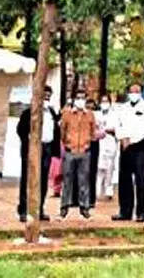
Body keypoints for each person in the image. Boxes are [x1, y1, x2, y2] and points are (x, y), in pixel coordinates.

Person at [112, 83, 144, 223]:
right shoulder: (122, 108)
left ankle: (141, 212)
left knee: (141, 179)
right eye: (132, 91)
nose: (134, 93)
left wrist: (131, 139)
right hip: (124, 145)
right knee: (124, 179)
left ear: (141, 92)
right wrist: (122, 137)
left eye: (137, 91)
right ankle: (125, 211)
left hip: (139, 145)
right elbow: (117, 124)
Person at [16, 86, 58, 222]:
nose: (46, 98)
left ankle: (39, 209)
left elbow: (55, 131)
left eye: (48, 96)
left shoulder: (51, 112)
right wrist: (30, 143)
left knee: (43, 180)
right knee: (28, 180)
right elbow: (20, 130)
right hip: (32, 148)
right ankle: (24, 210)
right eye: (44, 95)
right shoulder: (28, 113)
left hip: (47, 148)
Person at [59, 88, 95, 219]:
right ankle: (64, 206)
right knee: (67, 180)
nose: (80, 100)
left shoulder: (90, 115)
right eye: (78, 98)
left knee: (84, 180)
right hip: (70, 150)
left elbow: (92, 131)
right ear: (74, 99)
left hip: (84, 151)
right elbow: (62, 131)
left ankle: (84, 207)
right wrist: (67, 143)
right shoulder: (67, 114)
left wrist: (87, 143)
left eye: (83, 98)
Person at [94, 96, 118, 203]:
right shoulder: (96, 114)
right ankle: (97, 191)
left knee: (109, 169)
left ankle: (108, 191)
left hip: (110, 142)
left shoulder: (114, 115)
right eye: (102, 101)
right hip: (99, 143)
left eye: (106, 101)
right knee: (99, 168)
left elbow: (116, 128)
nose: (104, 103)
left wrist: (106, 130)